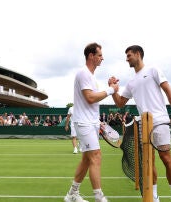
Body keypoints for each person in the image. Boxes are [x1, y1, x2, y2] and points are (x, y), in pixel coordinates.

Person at [109, 45, 171, 202]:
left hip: (160, 122)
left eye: (129, 55)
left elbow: (168, 90)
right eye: (126, 56)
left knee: (166, 158)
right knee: (149, 162)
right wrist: (113, 89)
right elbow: (120, 103)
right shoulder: (131, 82)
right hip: (144, 124)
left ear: (137, 54)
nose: (127, 58)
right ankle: (154, 197)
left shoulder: (153, 70)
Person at [64, 42, 119, 202]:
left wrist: (98, 121)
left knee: (87, 159)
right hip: (84, 123)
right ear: (91, 56)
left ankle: (72, 194)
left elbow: (93, 103)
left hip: (91, 123)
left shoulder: (92, 77)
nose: (102, 58)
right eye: (100, 55)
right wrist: (111, 90)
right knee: (96, 156)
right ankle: (99, 198)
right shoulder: (83, 73)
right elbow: (89, 98)